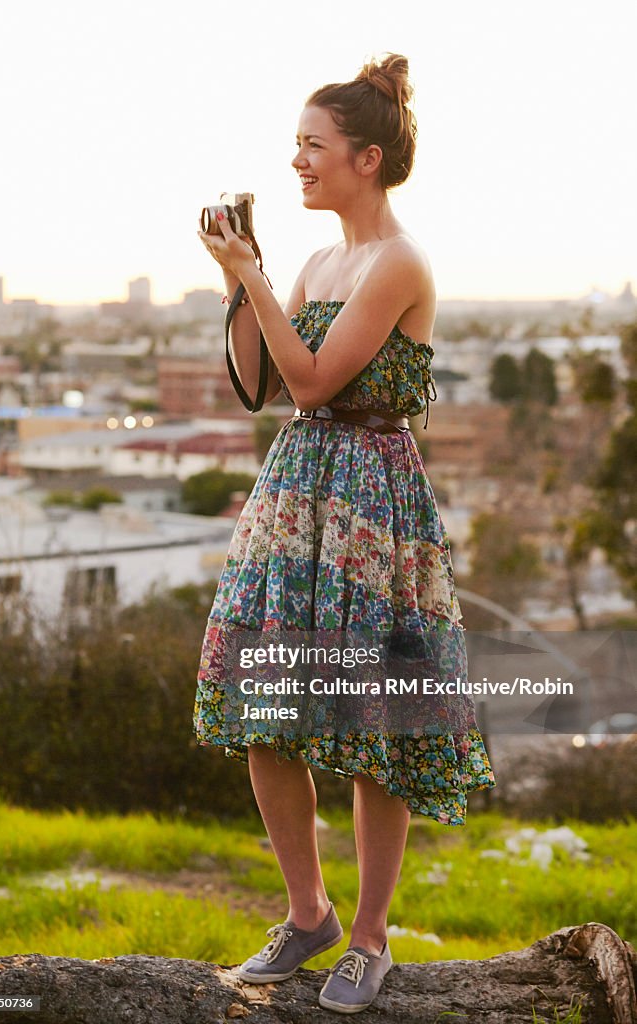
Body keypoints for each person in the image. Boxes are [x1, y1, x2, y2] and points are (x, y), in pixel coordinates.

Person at [194, 53, 496, 1015]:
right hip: (298, 489)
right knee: (263, 703)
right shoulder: (324, 261)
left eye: (313, 146)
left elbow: (320, 382)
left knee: (376, 720)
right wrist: (246, 283)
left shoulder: (400, 261)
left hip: (371, 502)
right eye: (295, 146)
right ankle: (308, 912)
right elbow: (266, 383)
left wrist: (256, 278)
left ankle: (370, 938)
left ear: (366, 158)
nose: (297, 162)